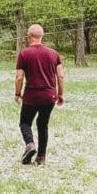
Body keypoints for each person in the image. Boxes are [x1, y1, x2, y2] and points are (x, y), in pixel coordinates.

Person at [14, 24, 64, 165]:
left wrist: (17, 93)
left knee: (25, 122)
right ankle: (41, 157)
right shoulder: (54, 54)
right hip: (49, 96)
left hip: (31, 96)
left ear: (28, 36)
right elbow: (60, 76)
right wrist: (60, 94)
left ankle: (30, 144)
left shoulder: (24, 53)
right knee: (43, 125)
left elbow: (19, 77)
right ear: (42, 36)